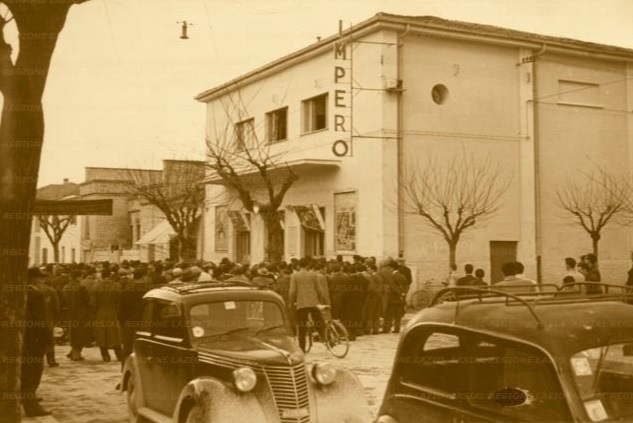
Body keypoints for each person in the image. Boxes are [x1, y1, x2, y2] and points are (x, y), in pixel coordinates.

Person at [21, 268, 53, 417]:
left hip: (26, 338)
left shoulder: (22, 292)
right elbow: (40, 319)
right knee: (33, 372)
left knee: (26, 370)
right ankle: (31, 405)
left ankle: (29, 397)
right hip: (35, 338)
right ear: (33, 279)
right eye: (41, 278)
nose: (43, 281)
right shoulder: (35, 294)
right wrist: (47, 337)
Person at [289, 258, 329, 352]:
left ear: (299, 266)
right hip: (314, 302)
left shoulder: (295, 276)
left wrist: (291, 302)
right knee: (319, 322)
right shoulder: (314, 275)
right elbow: (319, 289)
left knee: (302, 326)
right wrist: (320, 299)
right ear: (307, 266)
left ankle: (302, 348)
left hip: (301, 303)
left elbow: (293, 291)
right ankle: (328, 340)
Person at [92, 269, 123, 362]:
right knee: (115, 335)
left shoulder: (96, 287)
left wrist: (94, 312)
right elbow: (120, 301)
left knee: (102, 335)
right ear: (110, 275)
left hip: (100, 313)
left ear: (101, 276)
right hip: (113, 312)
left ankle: (105, 355)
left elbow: (93, 303)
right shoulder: (117, 286)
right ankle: (119, 355)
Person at [63, 269, 94, 361]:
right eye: (81, 276)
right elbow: (88, 301)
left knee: (73, 333)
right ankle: (76, 354)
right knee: (81, 334)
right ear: (77, 277)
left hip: (70, 313)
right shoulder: (81, 288)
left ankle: (72, 352)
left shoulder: (66, 287)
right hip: (81, 314)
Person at [382, 261, 409, 334]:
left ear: (392, 268)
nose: (388, 269)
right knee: (398, 315)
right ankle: (397, 329)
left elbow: (393, 287)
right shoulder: (403, 276)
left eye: (389, 268)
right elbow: (407, 286)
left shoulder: (392, 277)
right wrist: (403, 294)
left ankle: (387, 329)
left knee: (389, 314)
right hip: (401, 299)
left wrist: (399, 293)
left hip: (393, 299)